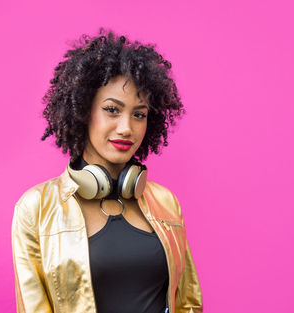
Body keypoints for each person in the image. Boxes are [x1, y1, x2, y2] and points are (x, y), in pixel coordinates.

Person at [11, 27, 203, 313]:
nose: (126, 127)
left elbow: (188, 302)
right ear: (83, 111)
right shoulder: (36, 208)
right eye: (112, 109)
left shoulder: (166, 202)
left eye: (139, 114)